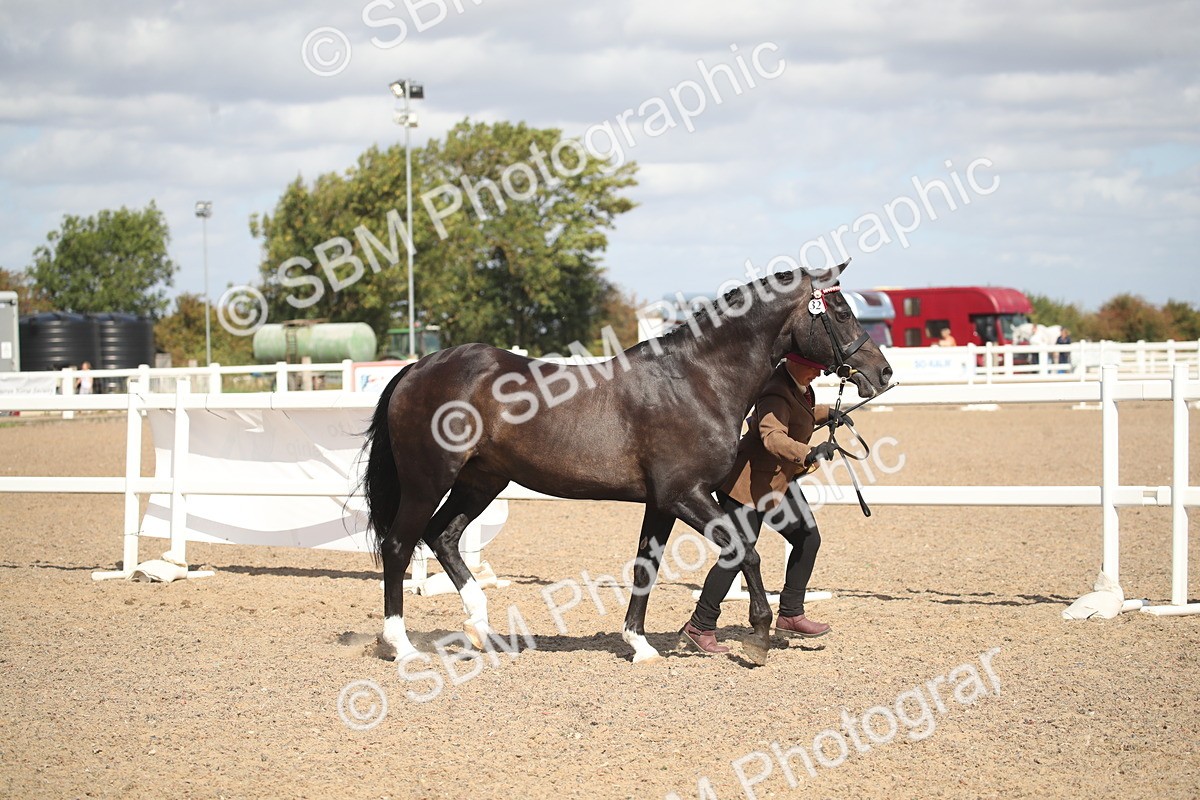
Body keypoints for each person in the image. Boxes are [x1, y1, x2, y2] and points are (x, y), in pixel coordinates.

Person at [680, 352, 844, 654]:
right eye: (815, 368)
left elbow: (797, 413)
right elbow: (772, 436)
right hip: (746, 487)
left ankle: (791, 614)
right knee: (737, 554)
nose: (819, 375)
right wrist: (808, 452)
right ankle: (699, 625)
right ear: (796, 361)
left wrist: (825, 414)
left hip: (776, 483)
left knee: (808, 538)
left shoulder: (799, 386)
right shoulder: (774, 390)